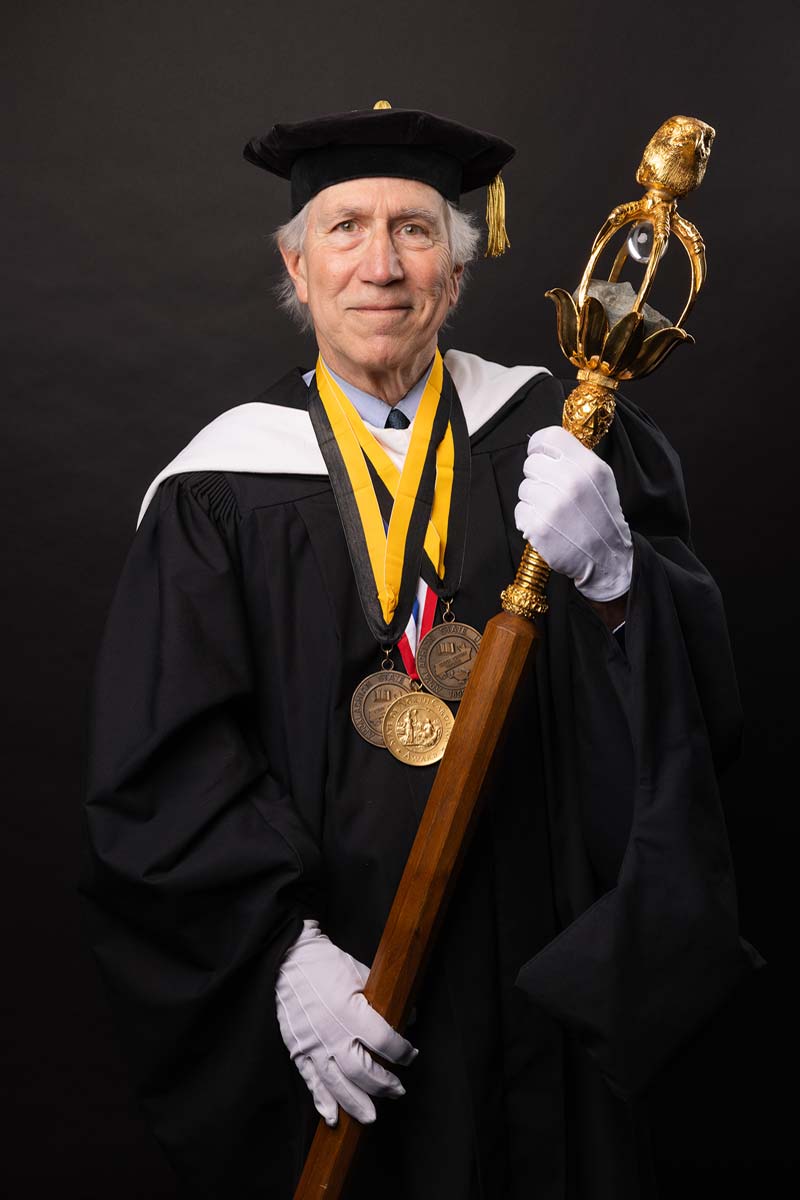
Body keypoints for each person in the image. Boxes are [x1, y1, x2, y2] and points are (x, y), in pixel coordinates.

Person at [78, 103, 762, 1200]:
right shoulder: (217, 491)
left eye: (414, 230)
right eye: (345, 229)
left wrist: (618, 581)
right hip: (345, 978)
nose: (380, 266)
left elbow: (700, 702)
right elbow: (164, 771)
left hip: (538, 952)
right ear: (297, 271)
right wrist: (280, 959)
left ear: (456, 266)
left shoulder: (559, 433)